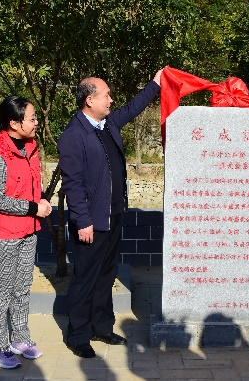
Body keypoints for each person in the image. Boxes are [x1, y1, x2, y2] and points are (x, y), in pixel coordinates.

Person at [58, 70, 162, 358]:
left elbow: (132, 108)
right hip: (91, 221)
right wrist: (83, 221)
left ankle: (101, 327)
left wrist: (155, 84)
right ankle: (78, 335)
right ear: (90, 100)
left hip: (113, 214)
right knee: (85, 279)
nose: (111, 100)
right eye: (106, 95)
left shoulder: (107, 124)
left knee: (106, 274)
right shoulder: (73, 135)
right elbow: (73, 184)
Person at [0, 96, 52, 369]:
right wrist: (34, 207)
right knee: (1, 292)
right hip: (2, 234)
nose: (36, 122)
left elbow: (29, 186)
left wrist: (40, 200)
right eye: (31, 118)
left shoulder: (30, 146)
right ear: (14, 123)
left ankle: (20, 339)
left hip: (27, 230)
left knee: (22, 288)